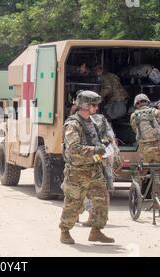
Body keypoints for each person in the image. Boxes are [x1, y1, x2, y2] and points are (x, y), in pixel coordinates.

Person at [59, 90, 114, 245]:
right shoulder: (73, 125)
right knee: (73, 203)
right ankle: (65, 231)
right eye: (93, 105)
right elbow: (74, 149)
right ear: (85, 105)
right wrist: (95, 150)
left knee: (102, 200)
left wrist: (104, 145)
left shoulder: (92, 122)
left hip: (94, 170)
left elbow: (95, 140)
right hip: (77, 172)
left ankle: (96, 231)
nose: (96, 108)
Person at [130, 93, 160, 203]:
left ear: (137, 104)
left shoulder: (134, 115)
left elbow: (135, 129)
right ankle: (156, 197)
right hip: (159, 147)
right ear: (147, 101)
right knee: (159, 171)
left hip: (145, 148)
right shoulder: (156, 112)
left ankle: (136, 195)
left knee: (142, 171)